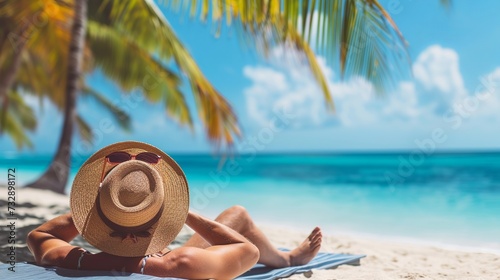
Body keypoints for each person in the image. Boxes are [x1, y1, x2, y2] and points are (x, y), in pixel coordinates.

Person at [27, 141, 322, 279]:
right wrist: (182, 213)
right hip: (154, 258)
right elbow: (247, 250)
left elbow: (38, 234)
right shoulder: (180, 263)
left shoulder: (71, 260)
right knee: (239, 214)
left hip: (123, 246)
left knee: (237, 213)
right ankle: (288, 259)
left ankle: (288, 257)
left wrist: (101, 209)